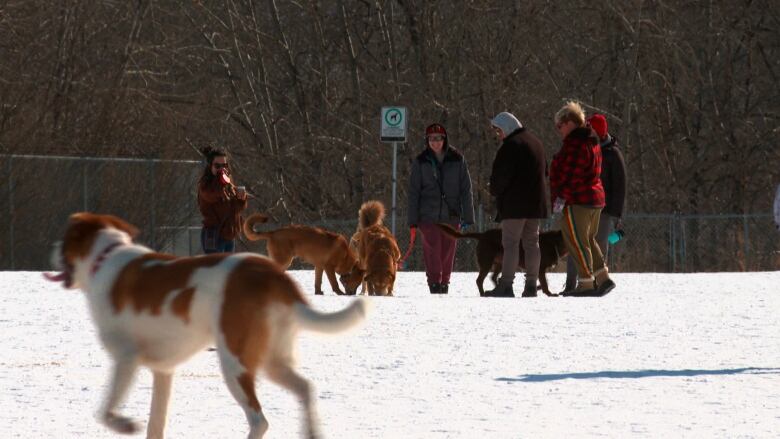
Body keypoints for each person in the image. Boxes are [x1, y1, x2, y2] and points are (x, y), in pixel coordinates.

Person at [550, 101, 615, 296]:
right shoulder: (591, 141)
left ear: (569, 122)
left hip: (578, 201)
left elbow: (571, 176)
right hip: (594, 199)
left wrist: (561, 198)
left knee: (576, 241)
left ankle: (586, 283)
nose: (558, 130)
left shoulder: (575, 144)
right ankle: (602, 278)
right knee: (588, 239)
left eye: (559, 126)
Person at [484, 112, 549, 298]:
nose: (499, 135)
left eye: (499, 131)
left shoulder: (510, 146)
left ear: (507, 128)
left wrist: (494, 190)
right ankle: (530, 284)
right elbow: (545, 171)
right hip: (536, 203)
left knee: (510, 244)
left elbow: (501, 177)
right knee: (532, 243)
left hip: (515, 204)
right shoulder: (536, 143)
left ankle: (506, 285)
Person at [408, 123, 475, 294]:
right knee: (432, 250)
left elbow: (465, 189)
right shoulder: (421, 161)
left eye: (438, 139)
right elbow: (414, 192)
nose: (435, 142)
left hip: (451, 215)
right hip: (427, 215)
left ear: (444, 140)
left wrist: (468, 217)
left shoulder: (457, 159)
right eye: (431, 139)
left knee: (448, 250)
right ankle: (434, 282)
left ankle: (444, 282)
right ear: (427, 140)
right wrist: (413, 220)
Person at [563, 114, 626, 292]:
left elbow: (620, 185)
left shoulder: (612, 153)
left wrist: (616, 213)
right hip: (582, 203)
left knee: (597, 244)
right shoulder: (586, 148)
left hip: (604, 209)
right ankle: (572, 283)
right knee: (576, 242)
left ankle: (596, 282)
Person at [197, 146, 248, 254]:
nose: (221, 169)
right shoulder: (206, 185)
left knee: (228, 270)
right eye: (217, 166)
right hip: (214, 234)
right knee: (215, 269)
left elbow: (236, 209)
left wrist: (241, 199)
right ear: (210, 166)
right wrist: (221, 180)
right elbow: (211, 195)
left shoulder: (227, 183)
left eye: (224, 165)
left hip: (229, 235)